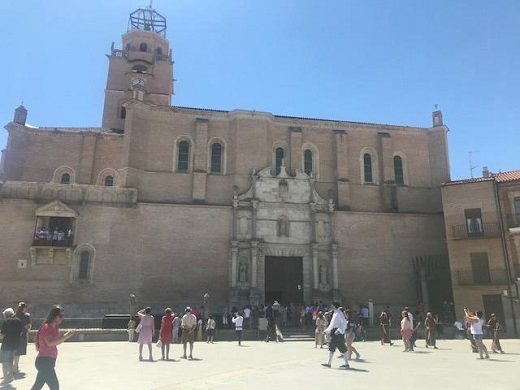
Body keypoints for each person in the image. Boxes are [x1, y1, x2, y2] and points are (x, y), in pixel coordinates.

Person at [30, 305, 74, 390]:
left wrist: (65, 336)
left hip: (49, 361)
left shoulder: (55, 327)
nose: (62, 318)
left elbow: (55, 343)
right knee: (54, 386)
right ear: (54, 316)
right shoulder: (46, 327)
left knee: (37, 385)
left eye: (63, 316)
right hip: (44, 361)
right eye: (60, 316)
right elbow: (50, 343)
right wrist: (66, 336)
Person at [321, 301, 350, 369]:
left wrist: (339, 330)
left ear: (334, 306)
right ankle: (330, 363)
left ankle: (345, 364)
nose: (331, 307)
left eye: (332, 306)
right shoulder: (336, 313)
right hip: (334, 332)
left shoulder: (339, 313)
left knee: (340, 348)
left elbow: (344, 322)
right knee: (333, 347)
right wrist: (326, 331)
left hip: (337, 333)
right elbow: (332, 324)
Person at [1, 308, 23, 385]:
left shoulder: (6, 322)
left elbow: (2, 335)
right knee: (10, 360)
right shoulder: (18, 321)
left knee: (4, 362)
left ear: (7, 315)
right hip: (15, 344)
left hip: (6, 344)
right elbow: (21, 333)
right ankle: (10, 376)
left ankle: (6, 378)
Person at [14, 302, 31, 376]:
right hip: (22, 335)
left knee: (14, 351)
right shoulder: (26, 316)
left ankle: (15, 366)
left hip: (14, 335)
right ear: (24, 308)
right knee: (18, 352)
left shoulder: (14, 315)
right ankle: (15, 367)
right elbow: (28, 326)